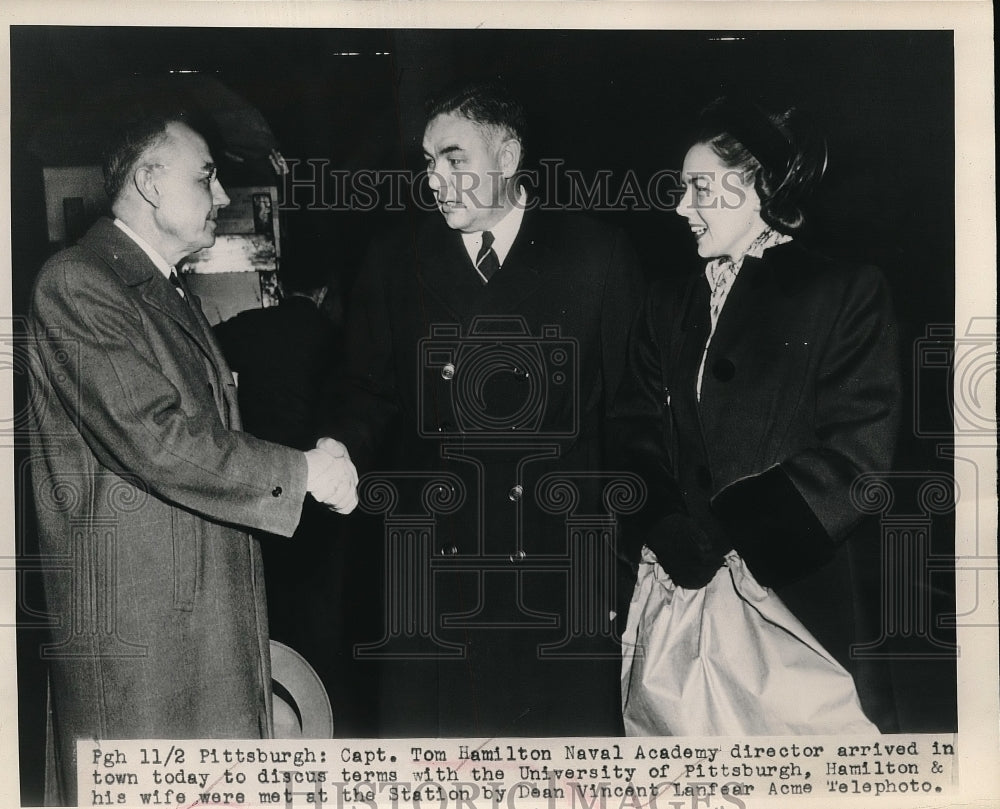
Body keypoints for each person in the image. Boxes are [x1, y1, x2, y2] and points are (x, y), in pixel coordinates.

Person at [27, 110, 358, 804]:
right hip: (144, 652)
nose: (222, 199)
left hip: (194, 632)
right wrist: (301, 471)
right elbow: (158, 439)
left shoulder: (160, 290)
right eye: (205, 178)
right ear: (149, 182)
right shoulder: (79, 283)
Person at [330, 81, 644, 737]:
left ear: (507, 155)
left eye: (452, 158)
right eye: (426, 162)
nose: (435, 180)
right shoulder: (394, 260)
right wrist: (338, 448)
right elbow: (366, 394)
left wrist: (624, 569)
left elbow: (630, 421)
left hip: (559, 575)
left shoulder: (596, 255)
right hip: (435, 575)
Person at [610, 97, 901, 731]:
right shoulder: (666, 302)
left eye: (700, 189)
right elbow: (633, 429)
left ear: (759, 188)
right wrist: (663, 520)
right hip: (676, 597)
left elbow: (861, 456)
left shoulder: (843, 292)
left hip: (795, 604)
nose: (682, 208)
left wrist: (734, 528)